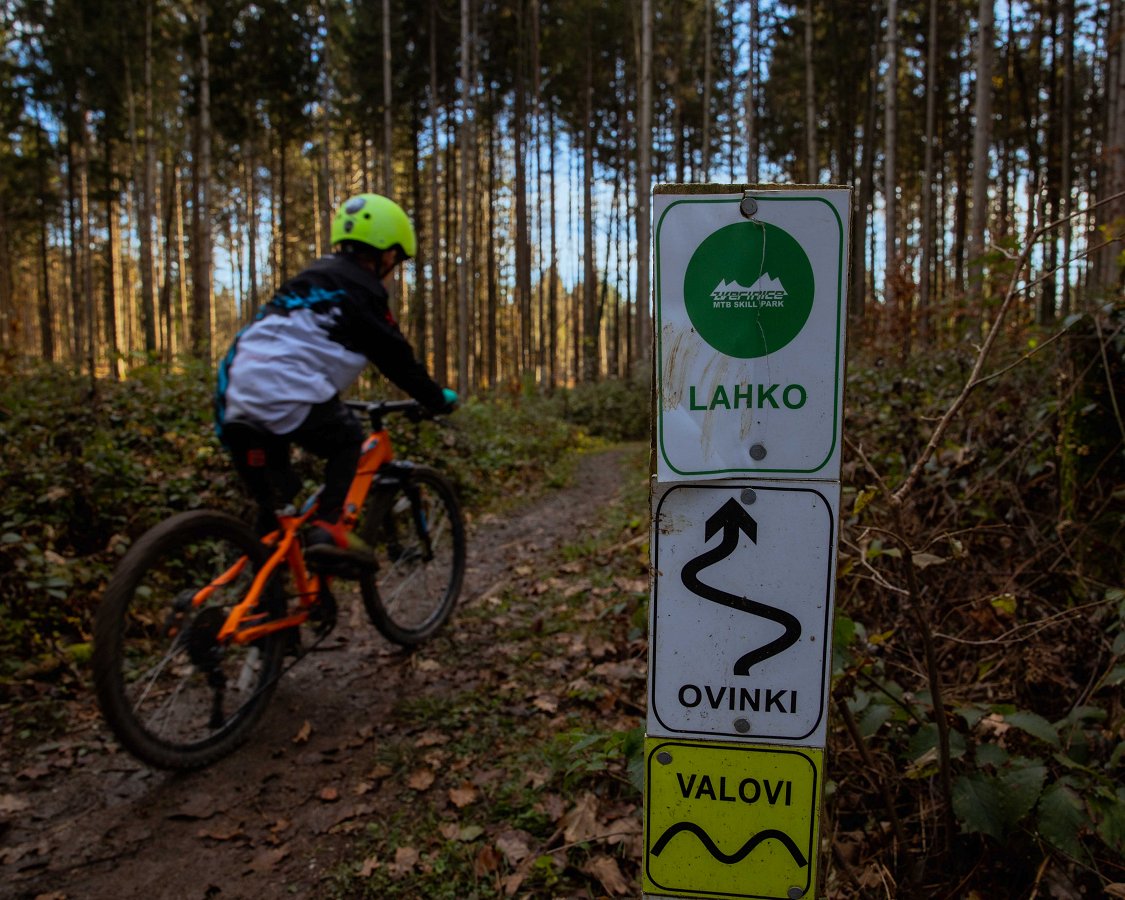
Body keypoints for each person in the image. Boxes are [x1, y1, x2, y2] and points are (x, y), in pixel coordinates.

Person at [214, 192, 456, 571]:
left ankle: (266, 616)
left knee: (278, 510)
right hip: (287, 390)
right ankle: (329, 528)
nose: (393, 270)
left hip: (236, 393)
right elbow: (396, 357)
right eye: (395, 261)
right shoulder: (361, 289)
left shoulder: (308, 279)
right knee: (348, 441)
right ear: (386, 253)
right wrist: (436, 398)